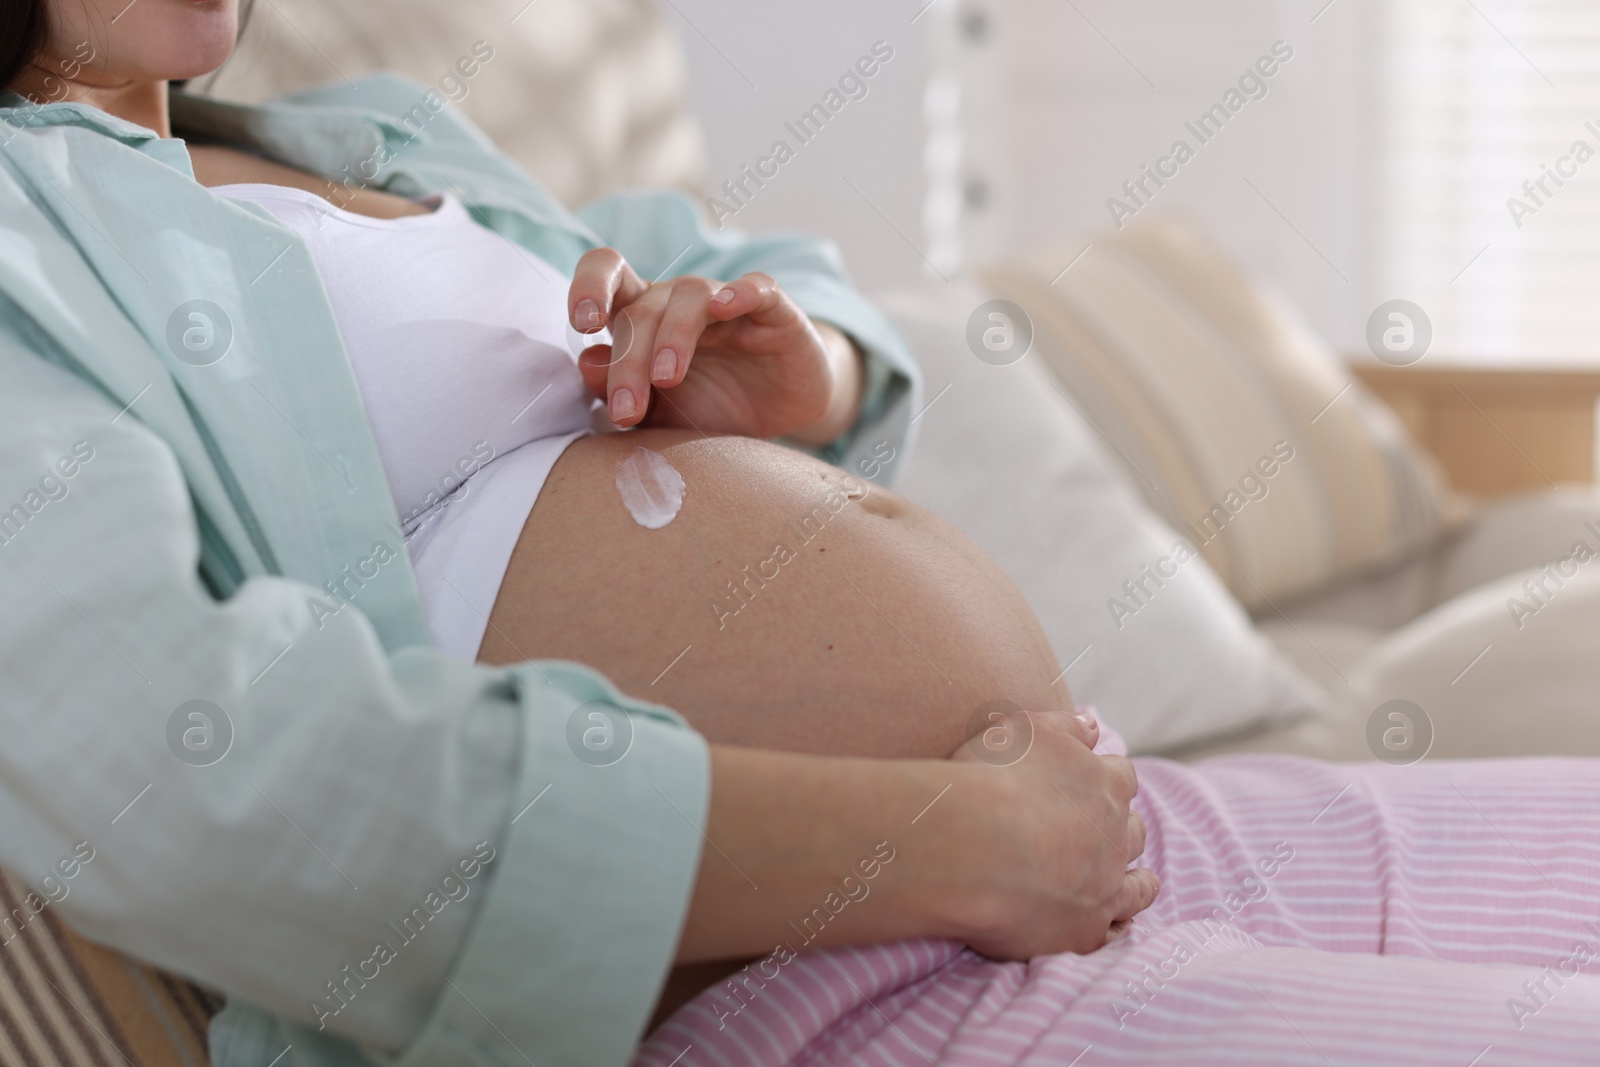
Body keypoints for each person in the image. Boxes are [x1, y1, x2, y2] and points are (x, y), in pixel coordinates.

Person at [2, 2, 1599, 1066]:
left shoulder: (363, 141)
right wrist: (944, 846)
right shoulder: (28, 249)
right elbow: (209, 784)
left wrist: (794, 365)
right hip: (810, 982)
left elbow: (756, 264)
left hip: (1090, 832)